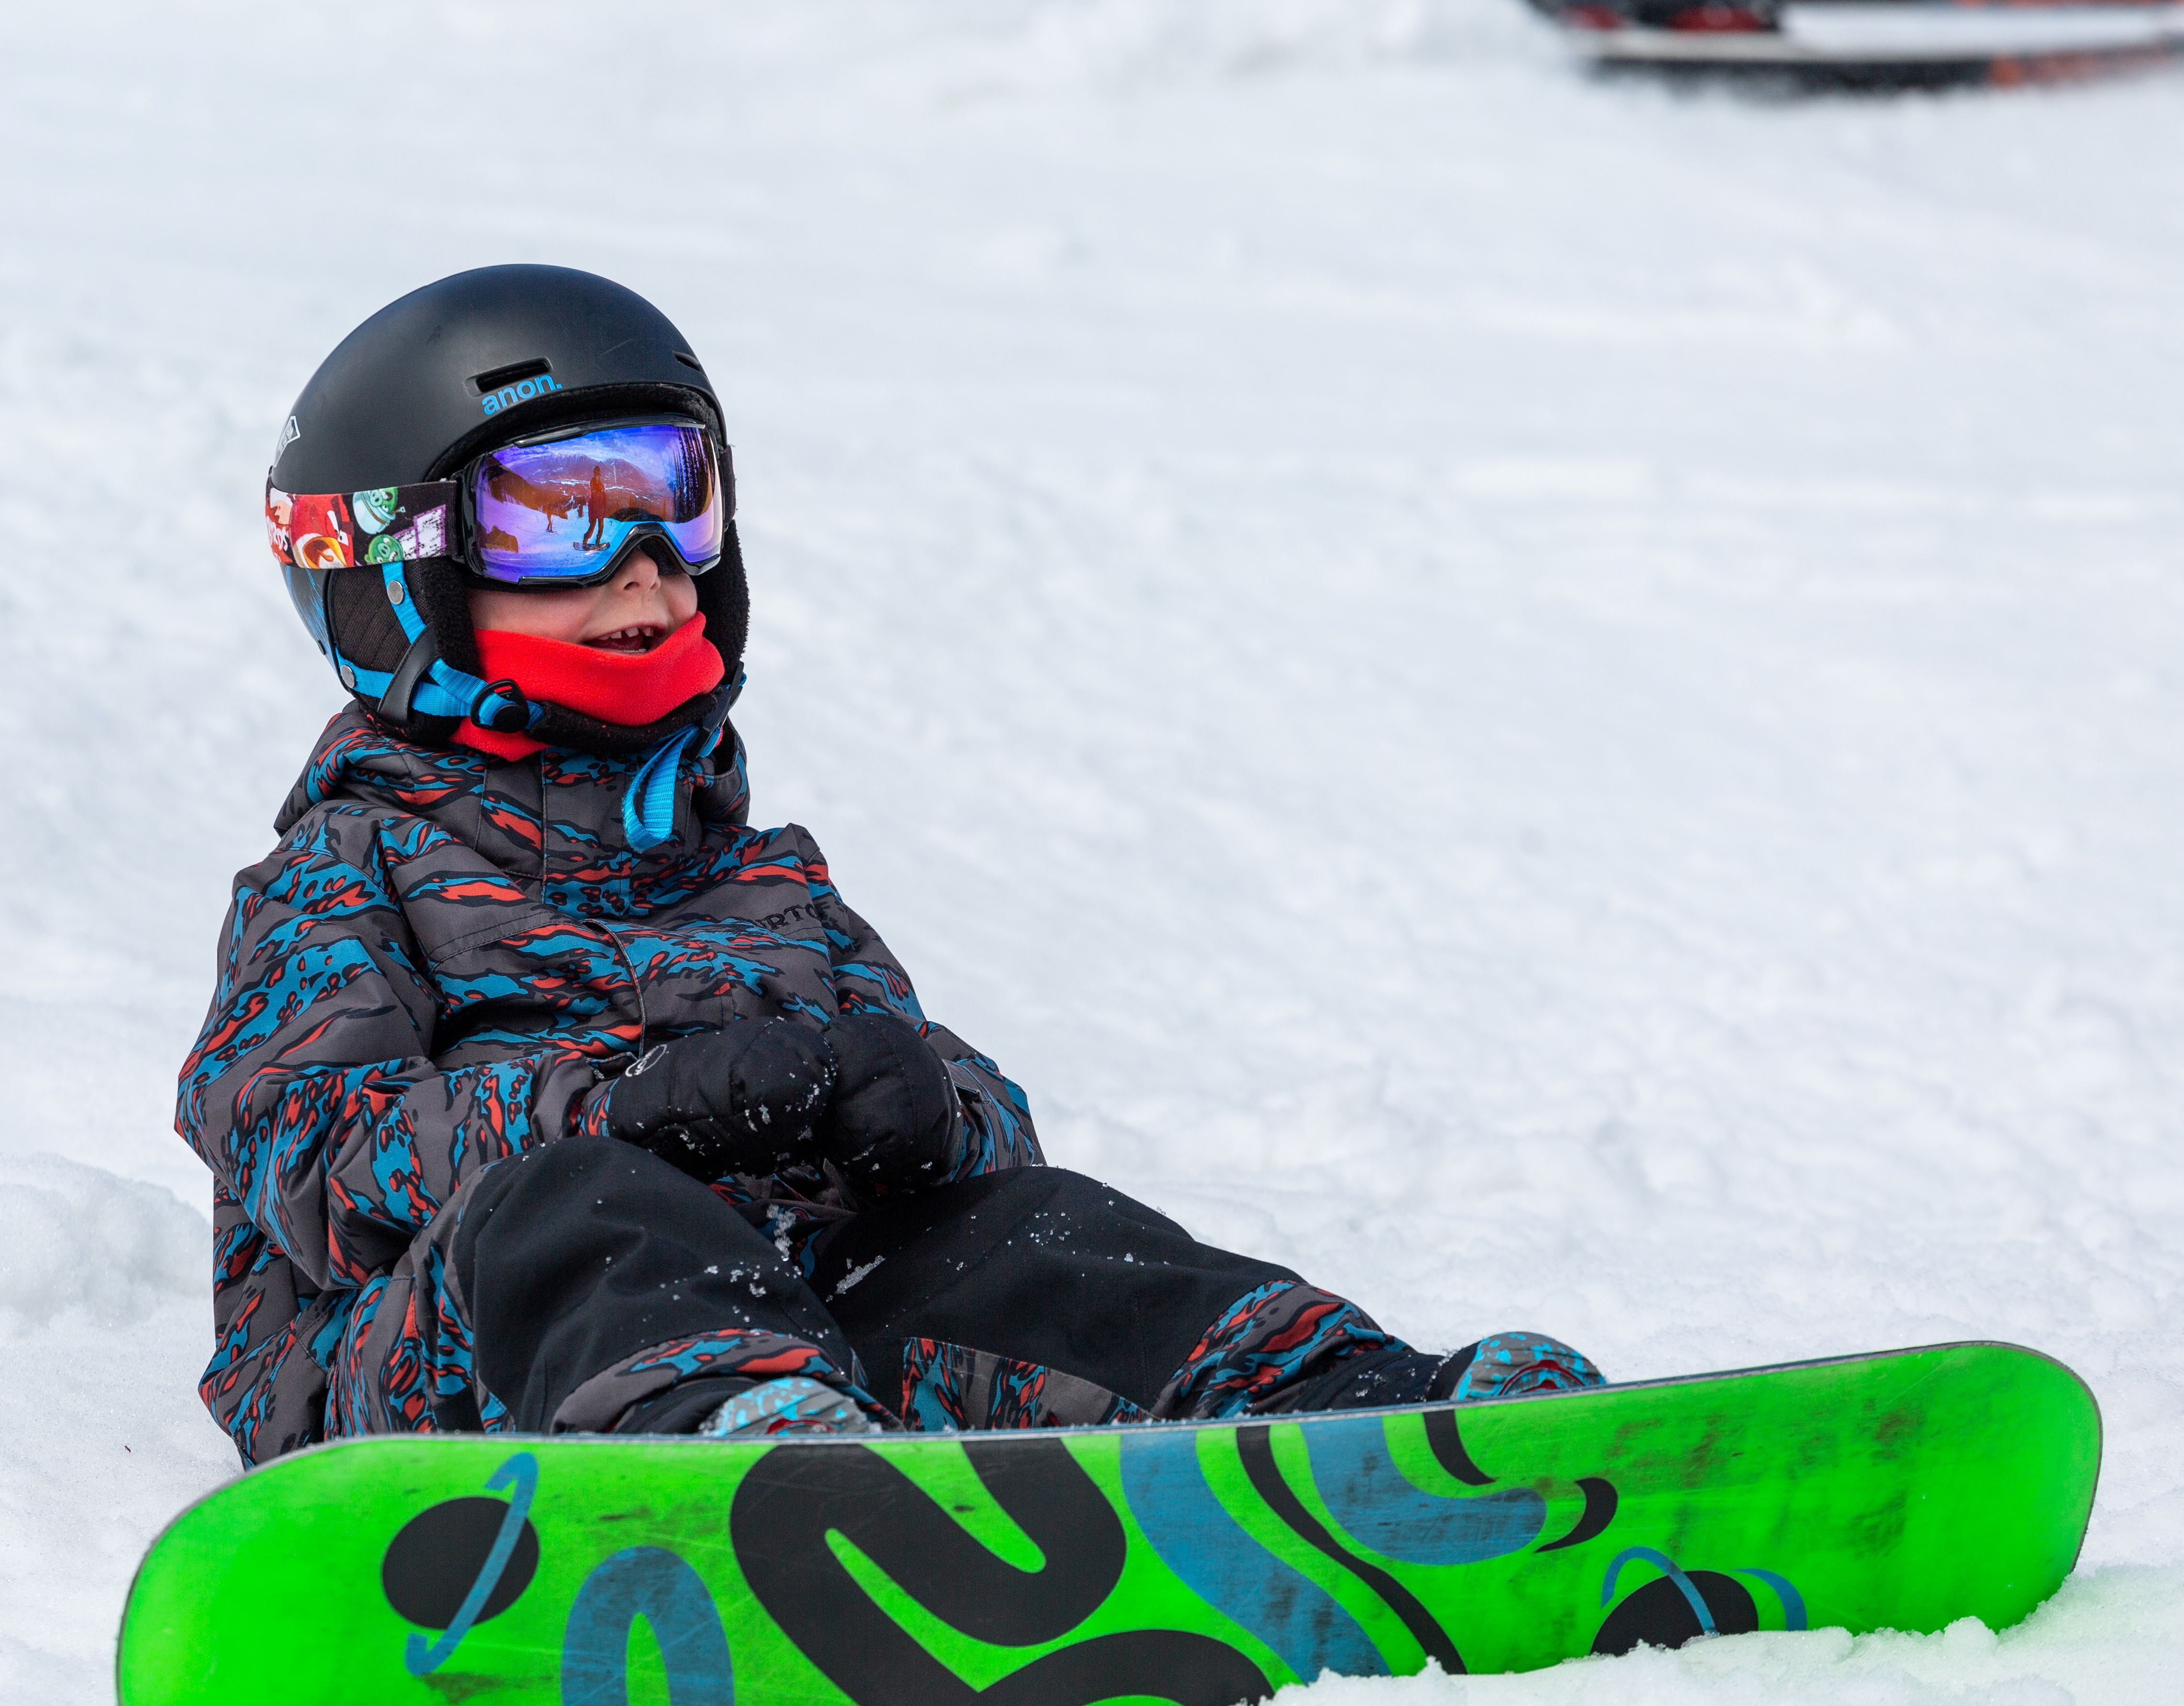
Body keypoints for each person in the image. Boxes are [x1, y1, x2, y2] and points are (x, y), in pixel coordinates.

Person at [181, 264, 1600, 1465]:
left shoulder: (768, 882)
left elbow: (961, 1125)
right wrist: (615, 1110)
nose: (639, 563)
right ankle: (736, 1461)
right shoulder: (344, 876)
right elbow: (305, 1142)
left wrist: (931, 1112)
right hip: (430, 1383)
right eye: (556, 512)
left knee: (1028, 1227)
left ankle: (1344, 1424)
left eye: (674, 500)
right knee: (574, 1200)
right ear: (395, 566)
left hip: (807, 1343)